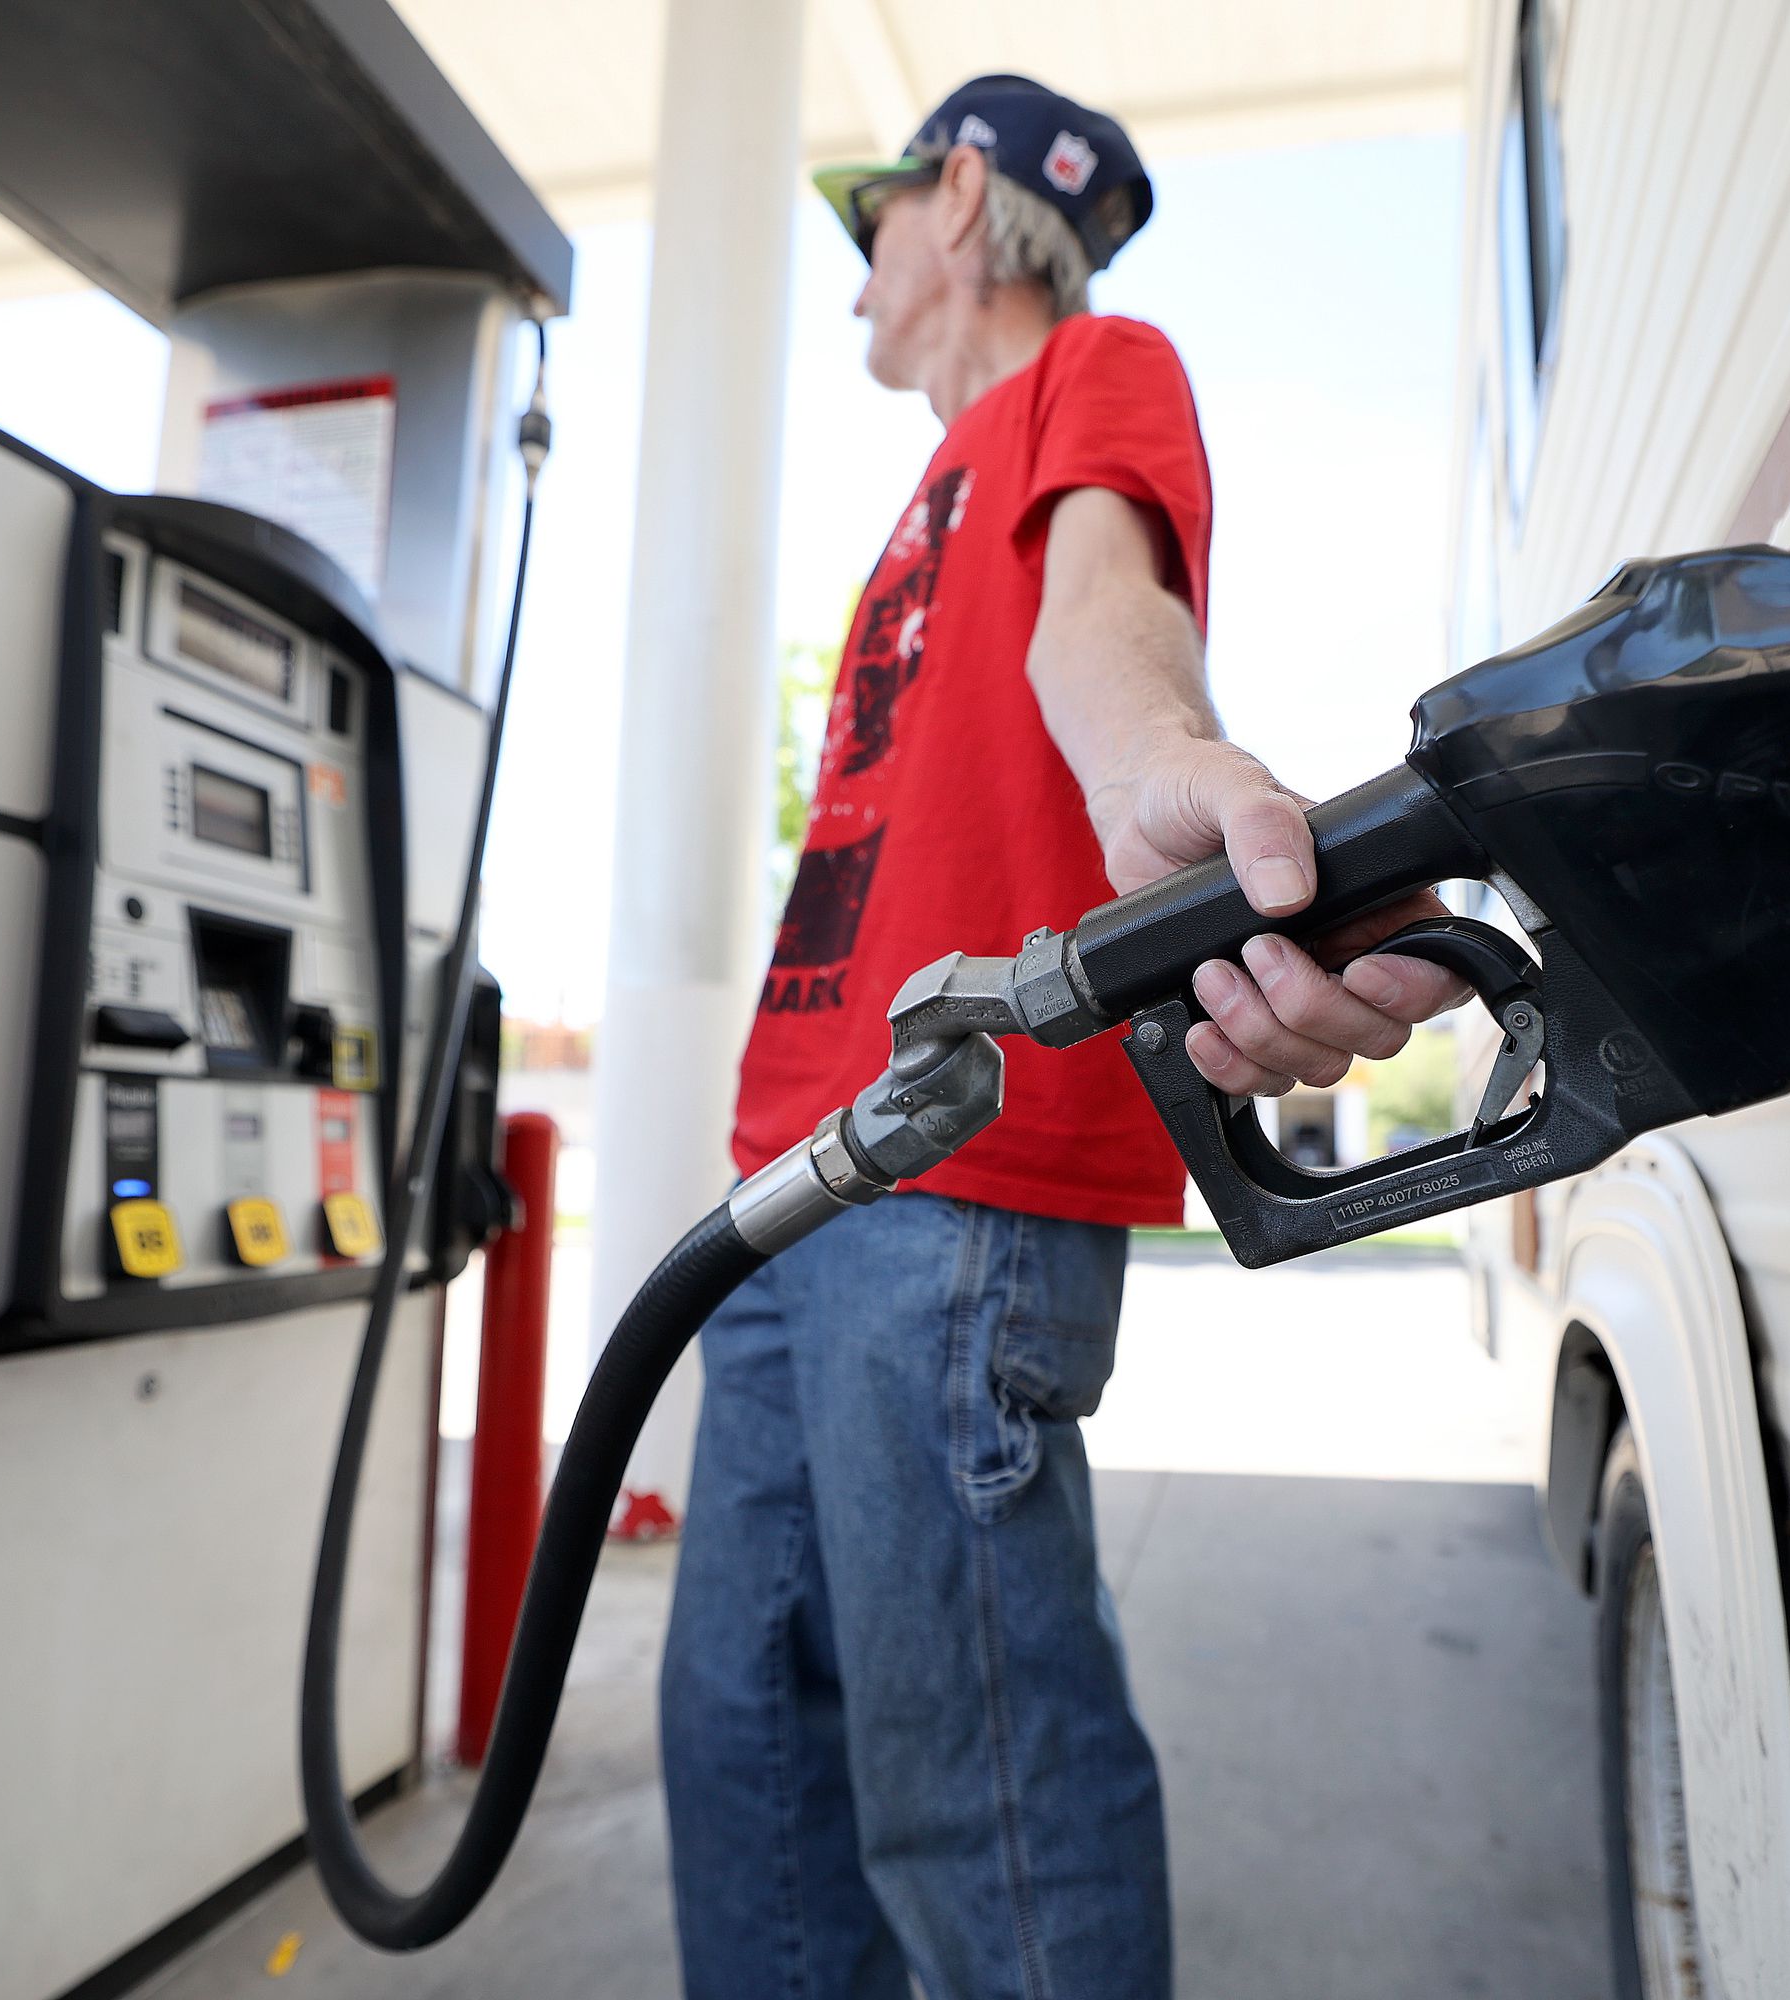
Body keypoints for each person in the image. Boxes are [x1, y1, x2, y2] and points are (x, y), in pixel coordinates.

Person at [657, 74, 1463, 1999]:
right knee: (743, 1746)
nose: (856, 276)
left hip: (951, 1178)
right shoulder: (919, 501)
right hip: (788, 1195)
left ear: (954, 201)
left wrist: (1168, 764)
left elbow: (1102, 615)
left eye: (871, 227)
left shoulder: (1094, 371)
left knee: (976, 1796)